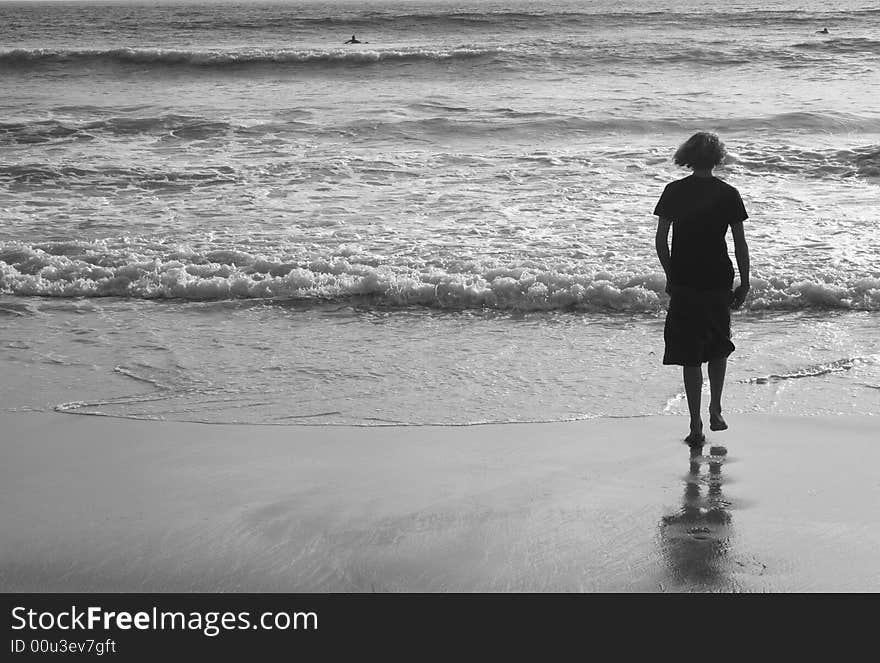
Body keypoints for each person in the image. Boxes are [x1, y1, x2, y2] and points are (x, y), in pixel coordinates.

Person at [654, 132, 750, 445]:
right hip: (718, 279)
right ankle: (716, 408)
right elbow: (739, 243)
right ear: (718, 157)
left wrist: (670, 274)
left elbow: (661, 240)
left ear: (688, 156)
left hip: (685, 280)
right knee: (719, 345)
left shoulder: (674, 191)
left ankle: (695, 424)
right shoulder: (728, 193)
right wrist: (745, 281)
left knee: (689, 353)